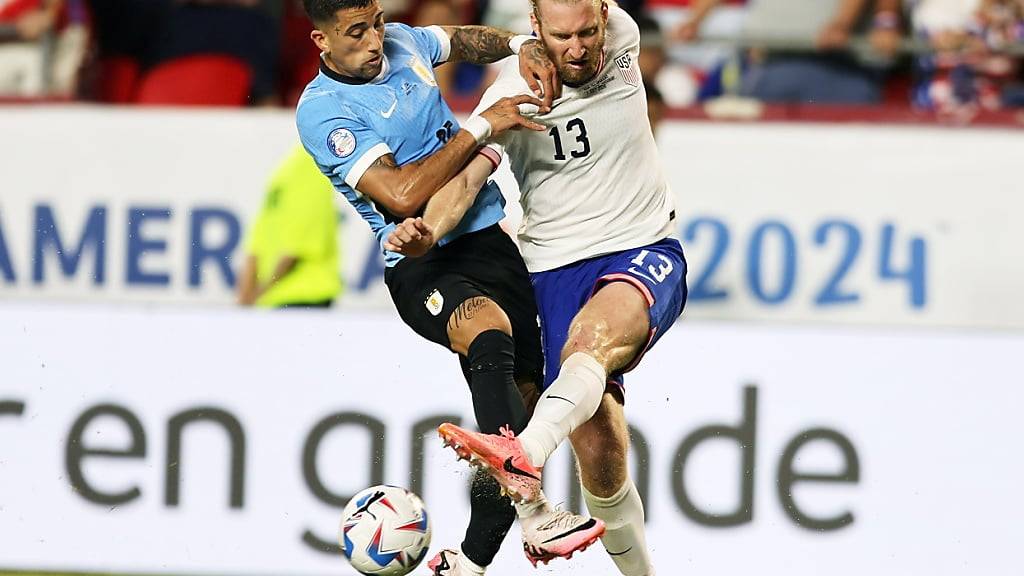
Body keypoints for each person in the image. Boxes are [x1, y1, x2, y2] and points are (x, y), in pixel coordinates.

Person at [293, 1, 605, 574]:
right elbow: (403, 193)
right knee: (487, 331)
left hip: (490, 243)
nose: (373, 39)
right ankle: (536, 510)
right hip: (421, 258)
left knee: (517, 427)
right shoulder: (323, 111)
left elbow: (461, 39)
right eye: (355, 32)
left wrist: (519, 46)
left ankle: (465, 563)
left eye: (377, 23)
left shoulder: (404, 43)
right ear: (321, 40)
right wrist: (485, 124)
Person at [385, 1, 687, 574]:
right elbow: (470, 178)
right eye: (560, 37)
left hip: (642, 243)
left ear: (605, 15)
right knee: (600, 450)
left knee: (589, 342)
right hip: (550, 270)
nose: (577, 49)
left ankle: (525, 452)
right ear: (534, 26)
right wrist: (430, 234)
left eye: (586, 32)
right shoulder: (511, 92)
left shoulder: (622, 35)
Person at [237, 144, 342, 308]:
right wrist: (257, 294)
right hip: (304, 294)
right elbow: (297, 247)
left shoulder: (285, 169)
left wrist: (249, 296)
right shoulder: (311, 163)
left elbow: (257, 243)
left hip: (276, 297)